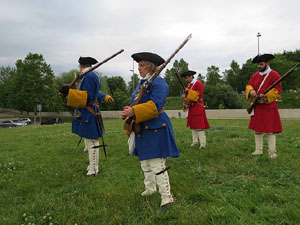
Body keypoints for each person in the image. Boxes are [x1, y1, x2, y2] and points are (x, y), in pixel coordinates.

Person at [122, 52, 179, 209]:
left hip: (155, 127)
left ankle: (167, 197)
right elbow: (135, 100)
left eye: (142, 65)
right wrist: (130, 109)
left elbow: (156, 105)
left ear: (151, 66)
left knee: (156, 163)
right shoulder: (142, 84)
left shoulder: (160, 84)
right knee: (145, 162)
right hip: (142, 126)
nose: (138, 68)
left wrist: (133, 112)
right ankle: (150, 188)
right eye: (138, 65)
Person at [63, 56, 114, 176]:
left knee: (92, 141)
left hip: (89, 111)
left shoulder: (89, 76)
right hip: (89, 111)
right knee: (90, 140)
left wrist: (69, 93)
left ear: (81, 66)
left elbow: (87, 96)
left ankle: (94, 169)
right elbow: (93, 93)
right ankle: (92, 166)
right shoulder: (91, 75)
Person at [245, 53, 282, 158]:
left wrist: (264, 97)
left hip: (268, 107)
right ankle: (258, 150)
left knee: (270, 131)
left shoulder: (274, 75)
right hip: (257, 107)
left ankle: (272, 152)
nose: (259, 66)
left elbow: (277, 91)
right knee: (257, 130)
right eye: (258, 64)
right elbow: (249, 85)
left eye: (261, 64)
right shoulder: (254, 76)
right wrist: (251, 91)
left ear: (267, 63)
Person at [181, 70, 210, 148]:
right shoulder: (190, 85)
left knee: (199, 126)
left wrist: (188, 91)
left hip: (198, 107)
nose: (186, 80)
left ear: (191, 76)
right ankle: (195, 142)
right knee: (193, 125)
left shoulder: (198, 83)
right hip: (191, 107)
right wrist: (185, 104)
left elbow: (198, 95)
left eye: (187, 78)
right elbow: (187, 96)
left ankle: (203, 144)